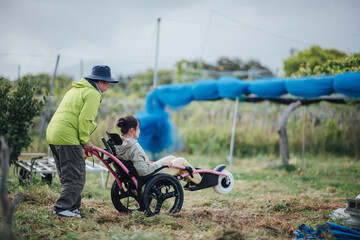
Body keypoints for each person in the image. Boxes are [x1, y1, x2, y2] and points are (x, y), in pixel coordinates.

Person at [46, 65, 118, 218]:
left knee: (68, 174)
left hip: (54, 134)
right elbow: (85, 119)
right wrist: (85, 141)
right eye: (106, 83)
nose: (107, 87)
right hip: (67, 136)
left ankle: (72, 207)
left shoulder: (75, 89)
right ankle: (62, 208)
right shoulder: (92, 93)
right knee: (76, 176)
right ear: (99, 81)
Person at [114, 115, 202, 184]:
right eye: (138, 128)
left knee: (171, 157)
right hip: (150, 175)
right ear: (132, 130)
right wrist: (160, 164)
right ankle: (199, 180)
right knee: (181, 160)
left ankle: (189, 177)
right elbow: (143, 171)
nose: (139, 131)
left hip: (141, 171)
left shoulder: (121, 142)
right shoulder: (134, 147)